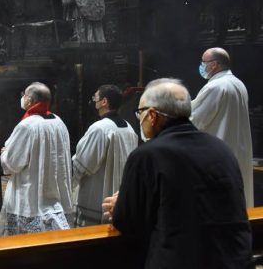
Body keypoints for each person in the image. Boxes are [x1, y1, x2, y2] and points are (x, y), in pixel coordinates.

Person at [102, 79, 251, 268]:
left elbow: (128, 223)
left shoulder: (147, 155)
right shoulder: (222, 149)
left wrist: (121, 204)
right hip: (235, 260)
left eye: (140, 112)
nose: (140, 119)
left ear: (153, 115)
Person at [0, 82, 74, 236]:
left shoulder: (27, 125)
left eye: (24, 95)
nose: (22, 98)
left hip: (32, 191)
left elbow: (13, 163)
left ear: (29, 100)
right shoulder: (58, 121)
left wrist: (5, 153)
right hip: (54, 185)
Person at [191, 47, 253, 207]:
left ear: (214, 64)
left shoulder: (215, 87)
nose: (201, 66)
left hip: (219, 153)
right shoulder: (238, 83)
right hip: (237, 150)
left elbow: (195, 119)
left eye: (203, 62)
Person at [71, 84, 137, 226]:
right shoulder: (129, 128)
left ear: (104, 102)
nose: (94, 100)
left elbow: (83, 164)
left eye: (96, 97)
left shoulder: (100, 129)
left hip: (97, 199)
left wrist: (68, 184)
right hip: (119, 197)